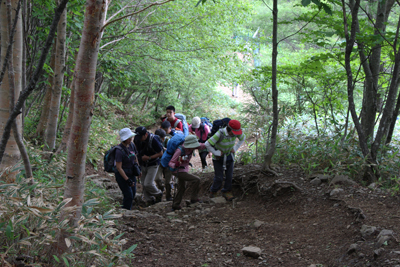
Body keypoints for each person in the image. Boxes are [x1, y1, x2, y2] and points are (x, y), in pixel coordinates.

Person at [205, 119, 246, 201]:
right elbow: (207, 144)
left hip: (229, 156)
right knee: (219, 177)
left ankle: (226, 191)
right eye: (234, 133)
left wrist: (235, 148)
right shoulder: (220, 133)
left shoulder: (235, 133)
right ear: (229, 129)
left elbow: (243, 138)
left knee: (229, 176)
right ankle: (214, 191)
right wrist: (215, 152)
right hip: (218, 158)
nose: (235, 135)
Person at [168, 135, 205, 210]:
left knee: (182, 187)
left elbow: (203, 146)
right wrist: (176, 164)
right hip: (177, 170)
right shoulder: (180, 150)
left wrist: (213, 142)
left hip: (184, 169)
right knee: (196, 180)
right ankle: (194, 198)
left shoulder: (192, 148)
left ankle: (175, 205)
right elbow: (170, 163)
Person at [134, 126, 164, 205]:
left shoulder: (153, 140)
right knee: (143, 183)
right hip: (142, 164)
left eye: (141, 137)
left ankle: (158, 194)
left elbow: (161, 153)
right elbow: (136, 151)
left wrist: (149, 157)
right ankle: (150, 200)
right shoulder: (137, 140)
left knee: (148, 183)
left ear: (146, 135)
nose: (139, 139)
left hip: (153, 163)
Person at [115, 128, 139, 210]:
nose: (131, 139)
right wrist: (127, 180)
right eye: (129, 137)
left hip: (131, 172)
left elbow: (135, 157)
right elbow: (119, 167)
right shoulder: (119, 151)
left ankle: (127, 208)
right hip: (122, 175)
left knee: (133, 192)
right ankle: (125, 211)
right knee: (128, 194)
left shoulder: (132, 145)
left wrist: (138, 168)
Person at [154, 128, 173, 201]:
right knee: (157, 178)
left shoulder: (169, 141)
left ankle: (169, 195)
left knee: (168, 181)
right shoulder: (154, 141)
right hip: (159, 162)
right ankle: (160, 190)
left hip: (168, 162)